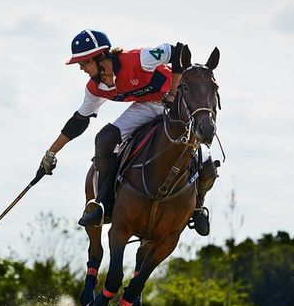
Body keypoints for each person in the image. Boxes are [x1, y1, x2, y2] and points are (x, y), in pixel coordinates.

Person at [40, 29, 217, 233]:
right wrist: (51, 152)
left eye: (84, 62)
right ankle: (103, 206)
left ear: (100, 57)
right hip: (147, 107)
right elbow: (78, 121)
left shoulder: (140, 58)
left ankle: (198, 207)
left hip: (178, 104)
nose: (81, 68)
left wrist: (172, 92)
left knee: (204, 154)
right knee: (105, 138)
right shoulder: (95, 87)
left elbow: (178, 51)